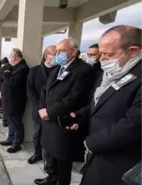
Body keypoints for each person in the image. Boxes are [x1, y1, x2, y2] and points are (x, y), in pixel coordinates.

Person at [74, 25, 142, 185]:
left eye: (108, 54)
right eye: (100, 53)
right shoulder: (111, 73)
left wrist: (94, 142)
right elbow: (99, 104)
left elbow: (134, 124)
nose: (101, 59)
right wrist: (80, 116)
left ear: (133, 51)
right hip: (97, 158)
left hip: (121, 165)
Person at [36, 38, 94, 185]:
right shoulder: (57, 68)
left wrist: (50, 111)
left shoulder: (83, 69)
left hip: (63, 121)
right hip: (49, 119)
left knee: (62, 160)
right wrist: (43, 108)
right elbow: (46, 90)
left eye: (60, 51)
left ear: (73, 51)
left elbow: (75, 97)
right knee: (49, 153)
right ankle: (51, 177)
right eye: (56, 52)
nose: (57, 54)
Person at [27, 45, 58, 165]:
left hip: (54, 109)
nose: (58, 57)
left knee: (51, 135)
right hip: (38, 108)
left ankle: (49, 158)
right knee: (37, 133)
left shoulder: (60, 69)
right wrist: (39, 106)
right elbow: (30, 90)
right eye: (55, 54)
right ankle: (37, 154)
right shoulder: (34, 70)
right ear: (46, 56)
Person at [0, 48, 29, 153]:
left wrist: (6, 74)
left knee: (16, 122)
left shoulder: (23, 69)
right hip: (8, 100)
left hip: (16, 102)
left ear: (14, 57)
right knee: (10, 121)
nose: (9, 58)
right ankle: (10, 138)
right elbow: (4, 81)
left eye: (10, 56)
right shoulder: (13, 68)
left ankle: (17, 143)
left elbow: (12, 84)